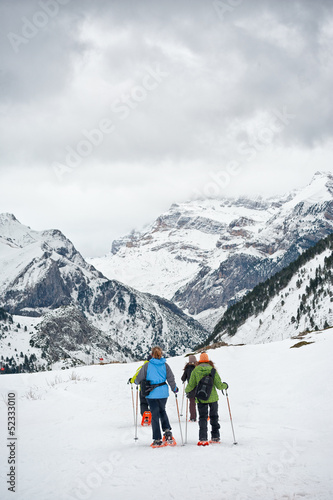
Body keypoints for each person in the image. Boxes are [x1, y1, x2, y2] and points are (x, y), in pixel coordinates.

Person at [135, 346, 178, 448]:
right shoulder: (165, 365)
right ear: (161, 354)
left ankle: (157, 439)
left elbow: (139, 378)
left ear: (152, 354)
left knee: (155, 414)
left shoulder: (147, 365)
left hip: (151, 393)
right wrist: (174, 388)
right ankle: (167, 433)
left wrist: (136, 382)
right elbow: (171, 378)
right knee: (162, 410)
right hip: (163, 393)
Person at [185, 352, 228, 446]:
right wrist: (225, 385)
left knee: (202, 418)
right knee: (214, 417)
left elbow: (191, 385)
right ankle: (215, 437)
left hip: (201, 398)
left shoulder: (196, 371)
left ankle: (203, 438)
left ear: (199, 361)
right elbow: (219, 386)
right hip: (213, 398)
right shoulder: (212, 370)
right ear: (208, 360)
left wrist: (186, 390)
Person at [128, 355, 151, 419]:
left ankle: (145, 416)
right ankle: (153, 414)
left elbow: (136, 377)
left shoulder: (142, 367)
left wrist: (132, 380)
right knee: (152, 403)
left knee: (143, 403)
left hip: (143, 389)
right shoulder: (155, 368)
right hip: (153, 389)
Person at [181, 355, 197, 422]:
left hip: (191, 388)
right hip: (199, 387)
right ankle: (204, 416)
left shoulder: (187, 368)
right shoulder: (197, 368)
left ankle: (193, 417)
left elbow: (183, 378)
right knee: (202, 402)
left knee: (192, 403)